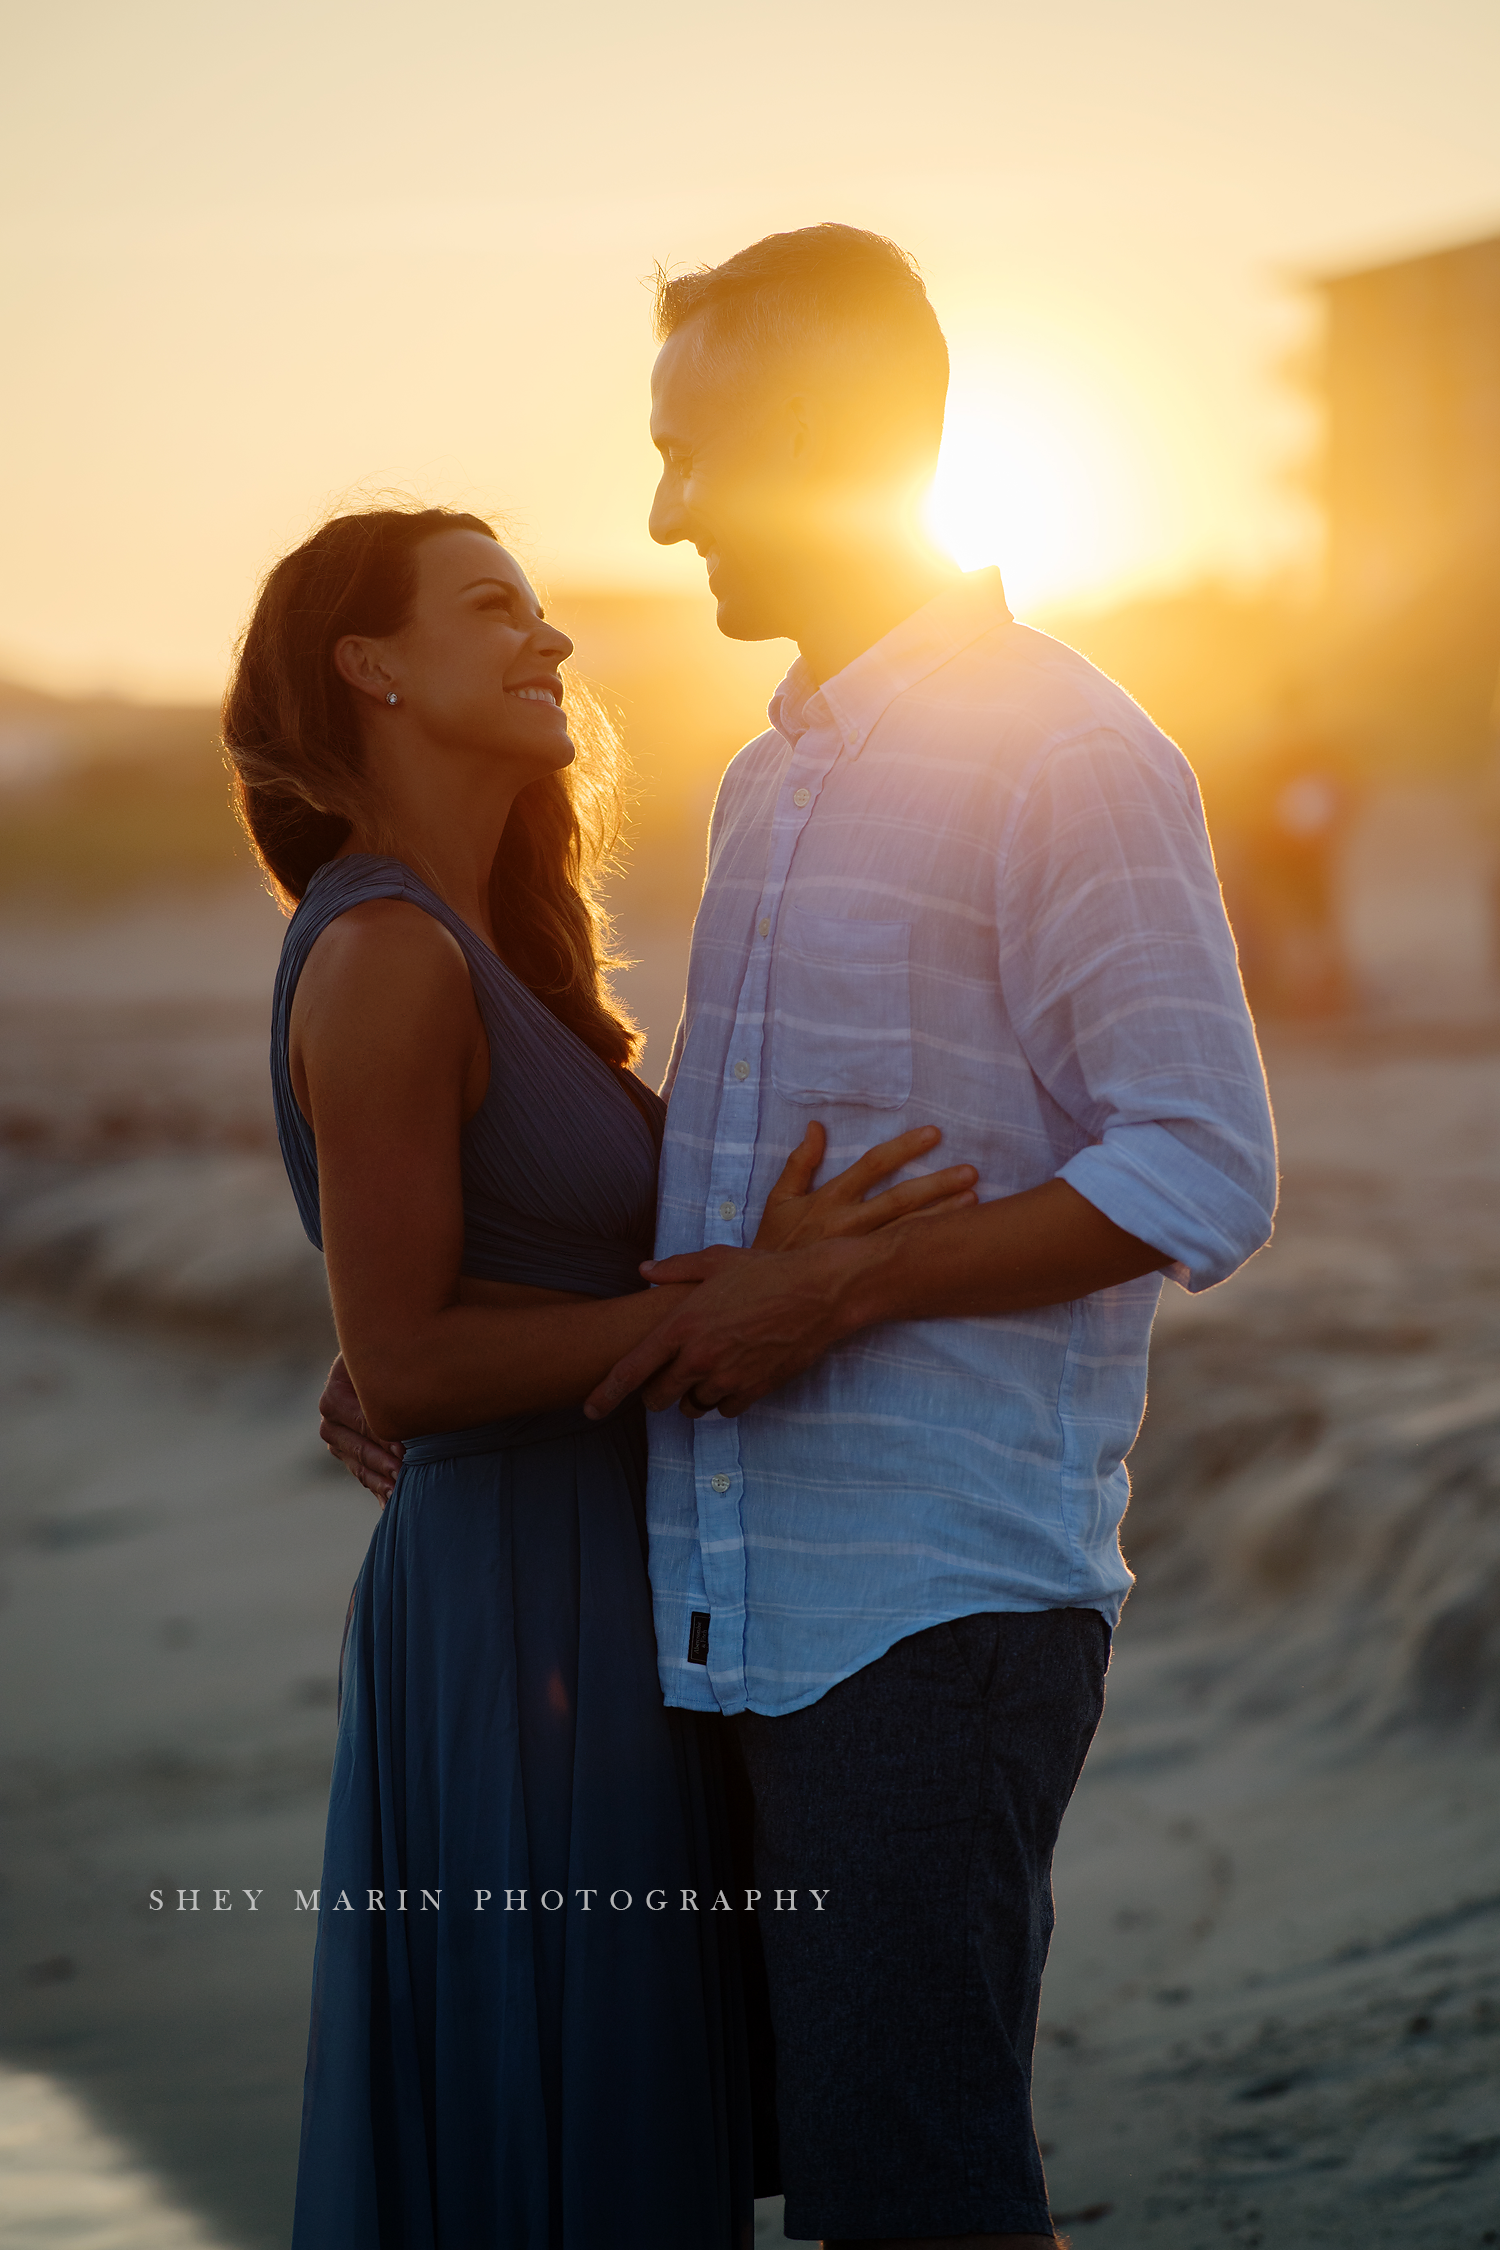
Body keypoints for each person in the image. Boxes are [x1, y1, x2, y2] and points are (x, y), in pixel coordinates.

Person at [327, 225, 1278, 2249]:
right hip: (724, 1611)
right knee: (803, 2170)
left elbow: (1203, 1162)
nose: (661, 512)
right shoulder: (771, 781)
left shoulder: (1069, 747)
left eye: (696, 449)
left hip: (932, 1605)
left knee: (907, 2186)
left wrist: (846, 1283)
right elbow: (727, 1194)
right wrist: (431, 1330)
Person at [223, 503, 977, 2248]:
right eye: (496, 608)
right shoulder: (386, 952)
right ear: (372, 668)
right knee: (556, 2122)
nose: (552, 639)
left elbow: (450, 1309)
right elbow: (403, 1361)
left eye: (546, 610)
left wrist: (738, 1272)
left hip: (606, 1584)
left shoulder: (495, 955)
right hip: (511, 1610)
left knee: (611, 2109)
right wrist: (752, 1300)